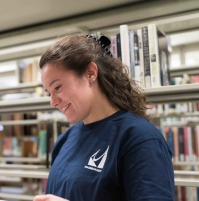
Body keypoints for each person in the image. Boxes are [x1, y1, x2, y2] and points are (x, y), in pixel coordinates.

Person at [33, 34, 175, 201]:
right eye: (49, 93)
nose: (53, 102)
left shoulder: (140, 138)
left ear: (90, 73)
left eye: (57, 87)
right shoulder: (64, 141)